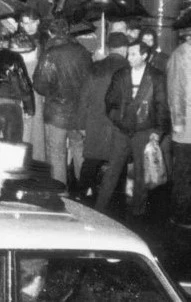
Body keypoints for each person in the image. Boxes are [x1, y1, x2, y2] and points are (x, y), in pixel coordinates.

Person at [95, 41, 169, 218]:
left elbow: (161, 106)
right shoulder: (121, 74)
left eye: (134, 54)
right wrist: (117, 120)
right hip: (122, 130)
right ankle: (98, 210)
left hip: (144, 130)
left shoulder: (156, 77)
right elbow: (109, 101)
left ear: (145, 56)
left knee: (140, 174)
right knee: (112, 170)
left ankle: (137, 213)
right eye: (129, 53)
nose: (129, 58)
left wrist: (157, 132)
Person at [33, 17, 92, 187]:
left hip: (57, 113)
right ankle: (85, 189)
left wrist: (52, 93)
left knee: (57, 152)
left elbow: (39, 85)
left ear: (50, 33)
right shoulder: (83, 52)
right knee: (79, 149)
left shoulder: (50, 54)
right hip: (80, 112)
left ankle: (60, 190)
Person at [79, 32, 130, 200]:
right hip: (119, 123)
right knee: (118, 165)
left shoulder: (95, 67)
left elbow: (84, 97)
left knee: (91, 162)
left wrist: (81, 124)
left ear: (108, 48)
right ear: (125, 49)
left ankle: (81, 195)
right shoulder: (129, 68)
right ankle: (115, 201)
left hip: (96, 121)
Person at [167, 27, 191, 228]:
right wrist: (178, 123)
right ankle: (181, 214)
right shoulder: (180, 56)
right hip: (185, 127)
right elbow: (175, 92)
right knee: (183, 173)